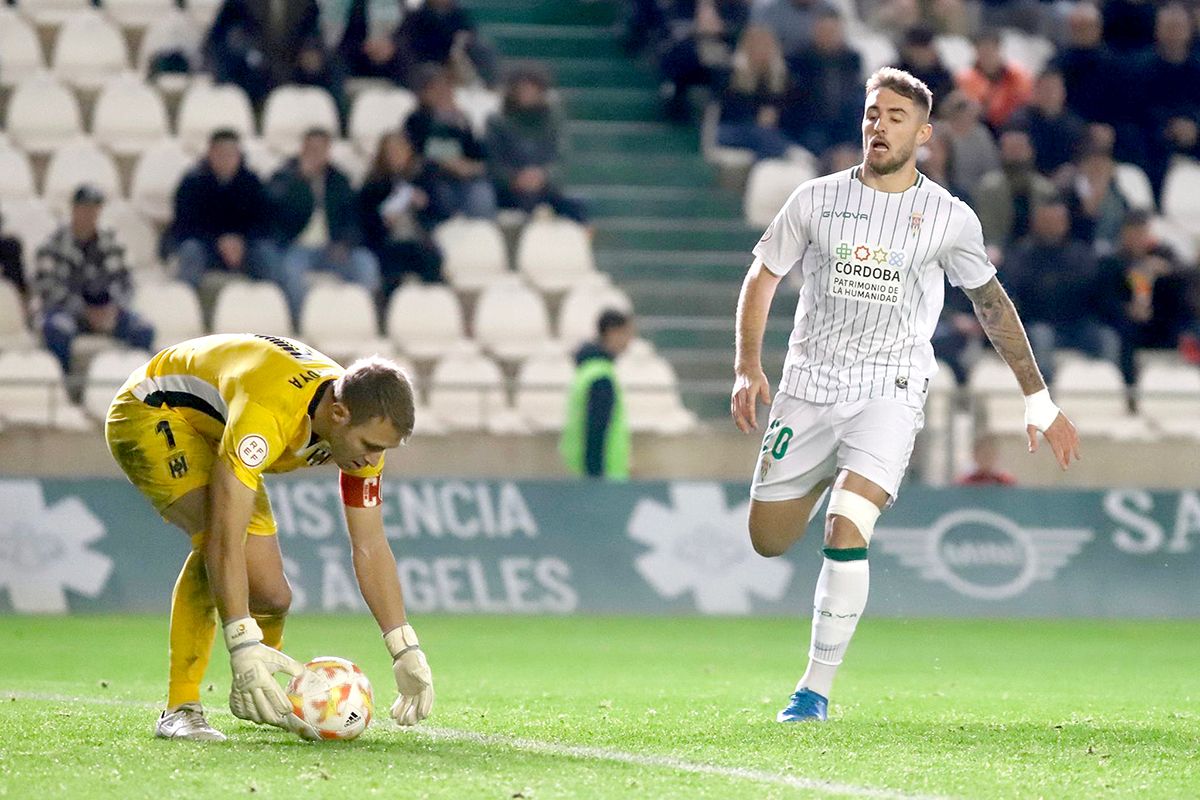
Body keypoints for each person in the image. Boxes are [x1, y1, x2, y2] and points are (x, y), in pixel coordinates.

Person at [731, 67, 1080, 723]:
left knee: (847, 524)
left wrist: (1037, 396)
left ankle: (813, 692)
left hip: (889, 390)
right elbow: (764, 273)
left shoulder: (949, 218)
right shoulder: (815, 199)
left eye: (895, 117)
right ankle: (821, 474)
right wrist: (749, 366)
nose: (879, 125)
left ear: (923, 134)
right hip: (808, 387)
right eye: (872, 113)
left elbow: (991, 304)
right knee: (769, 540)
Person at [104, 334, 434, 741]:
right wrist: (242, 643)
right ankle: (181, 708)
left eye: (382, 449)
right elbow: (224, 540)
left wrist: (404, 648)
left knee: (273, 597)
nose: (372, 459)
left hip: (217, 425)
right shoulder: (269, 413)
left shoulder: (359, 429)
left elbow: (370, 544)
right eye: (369, 446)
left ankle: (263, 692)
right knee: (215, 533)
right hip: (153, 411)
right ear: (339, 413)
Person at [34, 185, 154, 373]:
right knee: (57, 330)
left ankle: (139, 389)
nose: (89, 214)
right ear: (74, 209)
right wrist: (83, 311)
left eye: (94, 209)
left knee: (143, 329)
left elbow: (127, 282)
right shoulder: (52, 245)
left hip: (108, 312)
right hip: (67, 311)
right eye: (84, 208)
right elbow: (47, 288)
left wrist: (113, 309)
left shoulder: (112, 243)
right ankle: (66, 387)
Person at [1002, 199, 1121, 384]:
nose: (1052, 226)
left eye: (1057, 221)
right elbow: (1018, 291)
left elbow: (1091, 288)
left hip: (1077, 325)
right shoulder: (1021, 254)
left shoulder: (1080, 254)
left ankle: (1109, 389)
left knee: (1107, 339)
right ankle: (1044, 396)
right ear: (1035, 223)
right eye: (1047, 221)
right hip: (1038, 322)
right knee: (1041, 338)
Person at [267, 128, 382, 320]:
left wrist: (345, 243)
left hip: (332, 248)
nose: (315, 154)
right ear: (302, 149)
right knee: (290, 271)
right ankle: (300, 321)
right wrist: (299, 180)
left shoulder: (339, 181)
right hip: (296, 247)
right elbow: (274, 208)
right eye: (311, 149)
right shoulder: (285, 177)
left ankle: (365, 317)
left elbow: (352, 219)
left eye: (320, 150)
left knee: (365, 263)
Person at [169, 129, 284, 305]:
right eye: (220, 154)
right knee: (190, 250)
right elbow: (184, 224)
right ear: (210, 154)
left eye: (231, 154)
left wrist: (241, 241)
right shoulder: (191, 183)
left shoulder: (252, 182)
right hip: (206, 246)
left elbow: (263, 222)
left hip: (245, 247)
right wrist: (218, 241)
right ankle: (182, 308)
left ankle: (272, 307)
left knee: (266, 253)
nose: (226, 159)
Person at [486, 67, 589, 223]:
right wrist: (514, 178)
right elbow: (492, 161)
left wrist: (543, 176)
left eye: (532, 90)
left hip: (544, 187)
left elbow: (561, 158)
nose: (527, 94)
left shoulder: (553, 121)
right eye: (522, 89)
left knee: (577, 207)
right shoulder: (497, 122)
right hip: (508, 189)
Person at [405, 64, 497, 219]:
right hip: (433, 178)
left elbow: (476, 151)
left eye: (446, 88)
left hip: (466, 178)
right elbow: (427, 151)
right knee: (443, 195)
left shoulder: (461, 120)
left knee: (482, 194)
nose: (443, 93)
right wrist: (451, 163)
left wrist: (471, 166)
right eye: (435, 89)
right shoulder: (416, 120)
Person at [359, 131, 446, 295]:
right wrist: (382, 221)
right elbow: (365, 220)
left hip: (418, 241)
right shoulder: (374, 185)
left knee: (432, 260)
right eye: (390, 152)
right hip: (387, 243)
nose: (395, 156)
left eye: (399, 151)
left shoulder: (423, 178)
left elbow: (441, 211)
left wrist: (425, 203)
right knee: (389, 267)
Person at [560, 310, 635, 480]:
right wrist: (595, 478)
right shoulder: (601, 377)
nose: (629, 340)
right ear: (612, 332)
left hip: (581, 473)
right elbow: (596, 430)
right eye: (626, 333)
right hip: (603, 477)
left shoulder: (587, 370)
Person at [715, 25, 792, 161]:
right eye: (757, 46)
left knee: (769, 137)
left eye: (766, 47)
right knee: (766, 137)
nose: (762, 51)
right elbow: (728, 111)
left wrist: (772, 116)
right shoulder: (730, 74)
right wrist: (756, 117)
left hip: (766, 131)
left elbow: (788, 108)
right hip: (732, 129)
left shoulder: (782, 78)